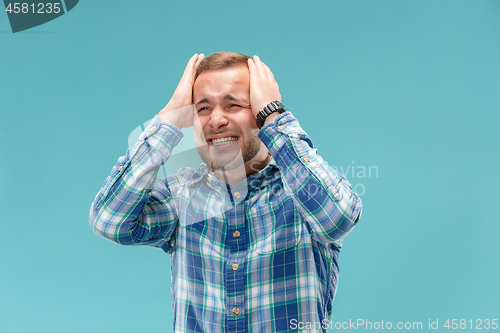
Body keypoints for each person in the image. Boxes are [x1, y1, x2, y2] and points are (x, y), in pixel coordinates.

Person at [89, 52, 363, 333]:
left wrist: (274, 115)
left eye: (233, 105)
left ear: (260, 111)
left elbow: (339, 218)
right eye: (203, 108)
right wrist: (168, 118)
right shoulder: (180, 195)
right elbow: (110, 221)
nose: (216, 120)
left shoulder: (303, 192)